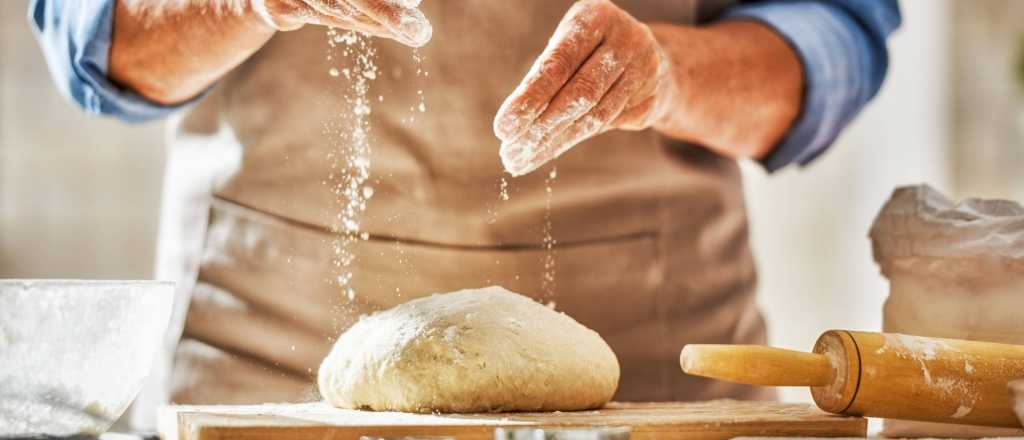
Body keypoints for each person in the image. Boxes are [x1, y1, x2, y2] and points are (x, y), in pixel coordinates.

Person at [30, 0, 900, 427]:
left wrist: (670, 74)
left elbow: (836, 40)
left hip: (649, 377)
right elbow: (89, 37)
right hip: (265, 364)